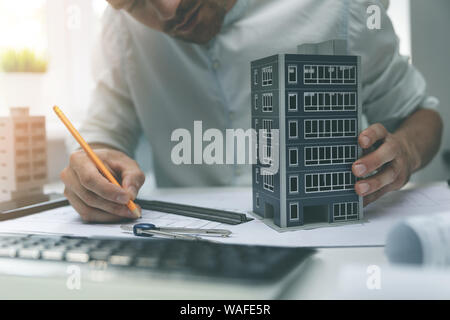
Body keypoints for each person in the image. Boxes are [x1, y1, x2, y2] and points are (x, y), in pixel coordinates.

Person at [60, 0, 443, 223]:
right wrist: (92, 170)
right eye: (135, 1)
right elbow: (102, 137)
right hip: (189, 243)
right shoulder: (121, 29)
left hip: (322, 239)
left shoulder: (339, 7)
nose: (168, 9)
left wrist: (406, 150)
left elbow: (419, 113)